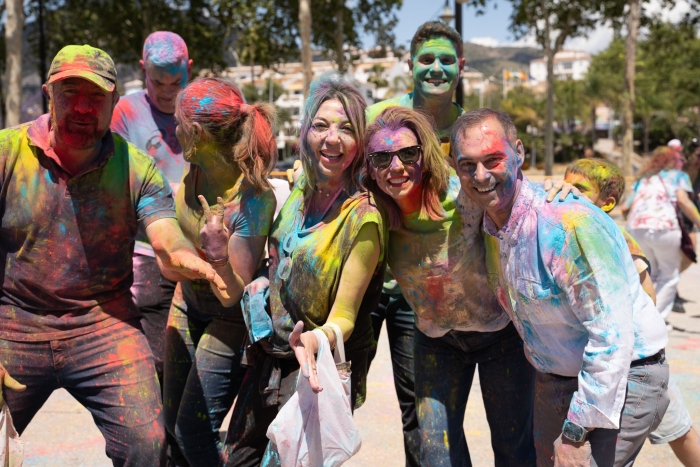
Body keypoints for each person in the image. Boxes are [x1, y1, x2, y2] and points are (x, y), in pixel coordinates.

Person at [0, 44, 226, 467]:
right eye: (70, 93)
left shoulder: (135, 166)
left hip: (104, 326)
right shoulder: (7, 153)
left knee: (147, 444)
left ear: (113, 101)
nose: (83, 108)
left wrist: (184, 258)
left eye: (96, 97)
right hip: (15, 323)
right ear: (49, 92)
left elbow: (164, 236)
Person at [456, 108, 670, 467]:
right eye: (467, 165)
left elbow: (612, 337)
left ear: (519, 153)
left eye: (493, 159)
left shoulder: (566, 224)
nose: (480, 176)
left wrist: (575, 432)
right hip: (557, 381)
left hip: (625, 375)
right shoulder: (492, 223)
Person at [219, 72, 386, 467]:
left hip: (309, 372)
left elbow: (345, 316)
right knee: (236, 459)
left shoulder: (363, 219)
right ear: (306, 132)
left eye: (347, 129)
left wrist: (316, 341)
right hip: (264, 358)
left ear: (360, 142)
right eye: (322, 125)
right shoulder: (297, 189)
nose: (333, 138)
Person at [361, 106, 537, 466]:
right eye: (381, 158)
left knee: (514, 449)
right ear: (370, 167)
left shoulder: (462, 197)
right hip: (436, 343)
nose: (396, 167)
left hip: (500, 337)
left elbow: (515, 191)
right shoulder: (373, 213)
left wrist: (560, 186)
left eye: (408, 154)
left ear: (425, 156)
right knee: (437, 454)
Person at [361, 22, 467, 464]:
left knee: (420, 414)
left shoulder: (468, 131)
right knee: (332, 392)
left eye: (446, 60)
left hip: (419, 293)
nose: (436, 68)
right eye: (426, 59)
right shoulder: (381, 117)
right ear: (411, 65)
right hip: (363, 277)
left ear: (461, 67)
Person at [161, 78, 278, 466]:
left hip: (226, 319)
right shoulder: (192, 170)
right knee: (170, 430)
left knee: (193, 432)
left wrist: (216, 252)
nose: (172, 129)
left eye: (178, 123)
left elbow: (233, 294)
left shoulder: (252, 199)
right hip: (186, 304)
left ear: (195, 133)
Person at [565, 158, 700, 467]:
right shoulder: (572, 229)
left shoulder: (615, 236)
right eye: (565, 183)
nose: (568, 192)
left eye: (579, 188)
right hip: (617, 363)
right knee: (679, 429)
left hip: (636, 362)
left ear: (607, 202)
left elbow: (647, 290)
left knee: (679, 431)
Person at [622, 146, 700, 326]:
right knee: (669, 275)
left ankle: (639, 318)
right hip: (664, 227)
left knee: (649, 274)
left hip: (636, 228)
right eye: (680, 159)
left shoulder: (643, 179)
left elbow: (626, 207)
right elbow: (683, 201)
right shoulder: (679, 176)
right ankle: (656, 321)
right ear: (673, 161)